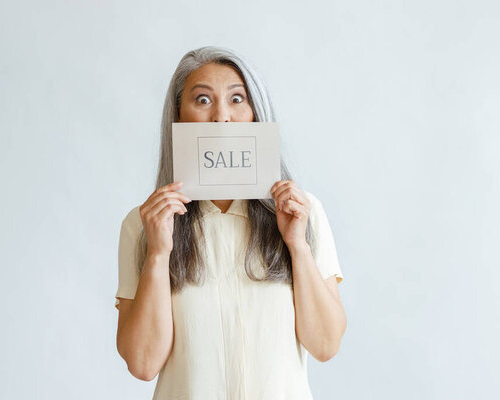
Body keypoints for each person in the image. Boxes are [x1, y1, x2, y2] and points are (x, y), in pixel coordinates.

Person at [114, 46, 346, 400]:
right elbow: (143, 363)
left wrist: (297, 246)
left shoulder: (303, 212)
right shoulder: (144, 224)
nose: (222, 116)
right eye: (203, 100)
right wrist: (158, 254)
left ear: (255, 113)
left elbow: (326, 344)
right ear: (178, 117)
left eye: (237, 98)